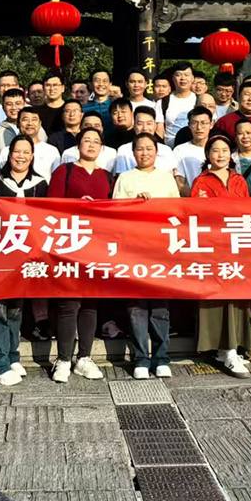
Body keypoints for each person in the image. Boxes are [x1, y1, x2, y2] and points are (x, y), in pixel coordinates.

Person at [48, 127, 114, 383]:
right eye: (87, 140)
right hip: (69, 243)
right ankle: (64, 358)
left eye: (96, 141)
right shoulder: (64, 171)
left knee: (90, 302)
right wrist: (75, 206)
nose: (91, 144)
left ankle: (84, 357)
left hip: (96, 245)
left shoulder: (107, 175)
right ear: (78, 145)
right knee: (69, 302)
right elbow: (50, 207)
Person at [112, 132, 179, 378]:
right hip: (133, 250)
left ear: (156, 152)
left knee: (160, 306)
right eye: (140, 149)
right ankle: (140, 358)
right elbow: (114, 212)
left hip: (160, 250)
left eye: (149, 148)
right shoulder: (125, 178)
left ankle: (161, 357)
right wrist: (135, 203)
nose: (144, 153)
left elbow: (177, 213)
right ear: (133, 153)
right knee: (136, 306)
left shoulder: (166, 178)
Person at [0, 135, 48, 385]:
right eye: (16, 152)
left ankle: (12, 356)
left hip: (26, 255)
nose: (21, 156)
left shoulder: (40, 184)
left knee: (15, 308)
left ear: (32, 156)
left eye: (26, 152)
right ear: (9, 154)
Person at [191, 136, 251, 377]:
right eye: (215, 150)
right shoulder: (201, 181)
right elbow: (198, 214)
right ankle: (225, 350)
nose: (220, 154)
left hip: (237, 245)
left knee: (236, 296)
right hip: (213, 247)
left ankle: (233, 347)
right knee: (217, 297)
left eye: (225, 150)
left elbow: (248, 212)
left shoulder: (239, 180)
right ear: (208, 155)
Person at [172, 106, 214, 190]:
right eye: (194, 123)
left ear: (211, 124)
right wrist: (194, 195)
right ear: (189, 125)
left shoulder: (218, 149)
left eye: (203, 123)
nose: (199, 127)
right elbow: (180, 182)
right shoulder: (179, 150)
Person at [161, 62, 199, 146]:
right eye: (178, 75)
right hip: (170, 148)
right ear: (173, 78)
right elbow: (159, 130)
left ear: (193, 78)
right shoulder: (163, 102)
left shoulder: (199, 100)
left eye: (187, 75)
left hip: (195, 146)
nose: (183, 78)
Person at [0, 88, 28, 154]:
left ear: (24, 104)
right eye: (9, 104)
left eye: (18, 103)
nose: (13, 107)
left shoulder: (34, 128)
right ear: (3, 107)